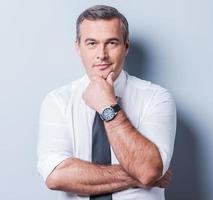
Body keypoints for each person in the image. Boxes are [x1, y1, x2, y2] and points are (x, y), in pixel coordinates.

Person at [37, 5, 176, 200]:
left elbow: (147, 170)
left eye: (111, 43)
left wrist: (107, 105)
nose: (101, 54)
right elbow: (56, 176)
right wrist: (137, 176)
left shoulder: (157, 98)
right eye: (92, 43)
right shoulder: (58, 101)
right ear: (78, 47)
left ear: (126, 47)